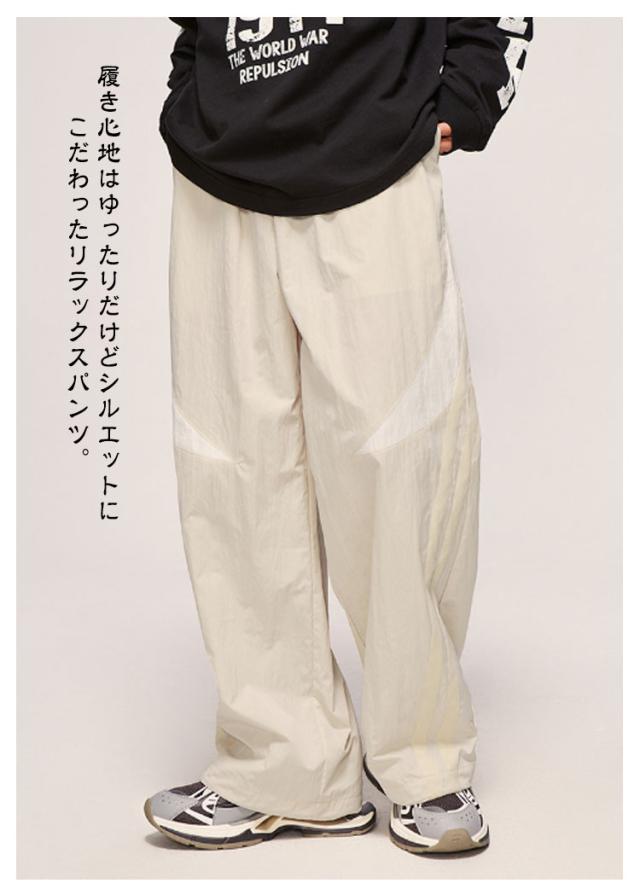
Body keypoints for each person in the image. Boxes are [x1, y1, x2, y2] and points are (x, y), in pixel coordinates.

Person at [144, 16, 533, 855]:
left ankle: (426, 762)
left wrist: (468, 94)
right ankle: (286, 767)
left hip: (374, 150)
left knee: (401, 462)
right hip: (219, 167)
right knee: (232, 470)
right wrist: (190, 83)